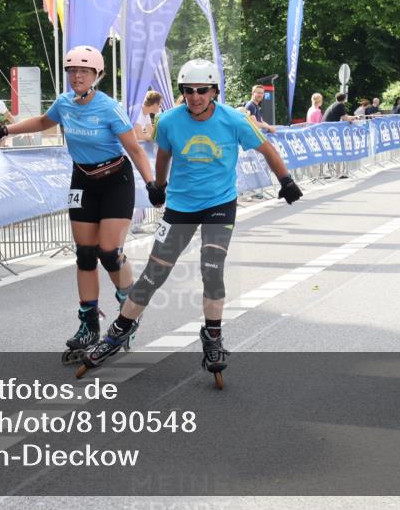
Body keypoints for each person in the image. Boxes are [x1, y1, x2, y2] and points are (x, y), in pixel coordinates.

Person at [77, 60, 303, 387]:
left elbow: (267, 148)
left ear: (213, 91)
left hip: (219, 204)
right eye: (188, 91)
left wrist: (286, 180)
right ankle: (118, 332)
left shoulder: (234, 120)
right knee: (155, 273)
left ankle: (212, 336)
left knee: (212, 268)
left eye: (201, 90)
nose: (194, 97)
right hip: (181, 206)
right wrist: (158, 184)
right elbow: (164, 154)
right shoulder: (168, 121)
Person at [0, 45, 162, 364]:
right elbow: (41, 122)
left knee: (109, 252)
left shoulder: (108, 108)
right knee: (84, 254)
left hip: (114, 181)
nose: (76, 76)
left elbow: (134, 149)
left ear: (97, 75)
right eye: (72, 71)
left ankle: (129, 307)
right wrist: (3, 130)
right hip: (82, 180)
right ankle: (88, 324)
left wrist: (152, 183)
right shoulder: (64, 103)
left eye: (84, 71)